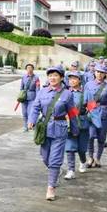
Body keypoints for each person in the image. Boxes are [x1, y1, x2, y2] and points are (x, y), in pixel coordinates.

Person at [28, 66, 79, 200]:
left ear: (61, 78)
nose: (52, 78)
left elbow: (72, 113)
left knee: (55, 159)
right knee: (45, 157)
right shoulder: (42, 92)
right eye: (50, 75)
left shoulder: (67, 94)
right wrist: (31, 120)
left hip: (60, 129)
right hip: (44, 128)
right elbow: (35, 107)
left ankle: (51, 187)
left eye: (55, 75)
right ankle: (55, 172)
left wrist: (74, 129)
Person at [84, 64, 107, 168]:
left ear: (105, 74)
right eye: (97, 72)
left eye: (102, 72)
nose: (99, 74)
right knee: (90, 136)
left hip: (104, 113)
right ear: (94, 72)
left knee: (101, 138)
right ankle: (90, 157)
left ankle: (98, 158)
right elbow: (84, 100)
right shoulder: (88, 84)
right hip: (91, 113)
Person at [63, 71, 89, 179]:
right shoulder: (64, 93)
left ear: (80, 80)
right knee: (70, 148)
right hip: (70, 123)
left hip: (82, 123)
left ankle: (83, 161)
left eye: (75, 78)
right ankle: (71, 170)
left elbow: (92, 108)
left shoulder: (86, 93)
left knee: (81, 149)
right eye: (70, 79)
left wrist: (94, 120)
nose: (72, 81)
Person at [19, 63, 41, 131]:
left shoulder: (36, 78)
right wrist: (20, 96)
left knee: (30, 112)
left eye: (30, 68)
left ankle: (31, 125)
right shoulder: (23, 77)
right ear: (26, 69)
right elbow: (21, 87)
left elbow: (37, 88)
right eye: (27, 68)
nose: (29, 69)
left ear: (33, 69)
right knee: (24, 113)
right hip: (24, 97)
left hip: (32, 97)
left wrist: (37, 98)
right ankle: (25, 126)